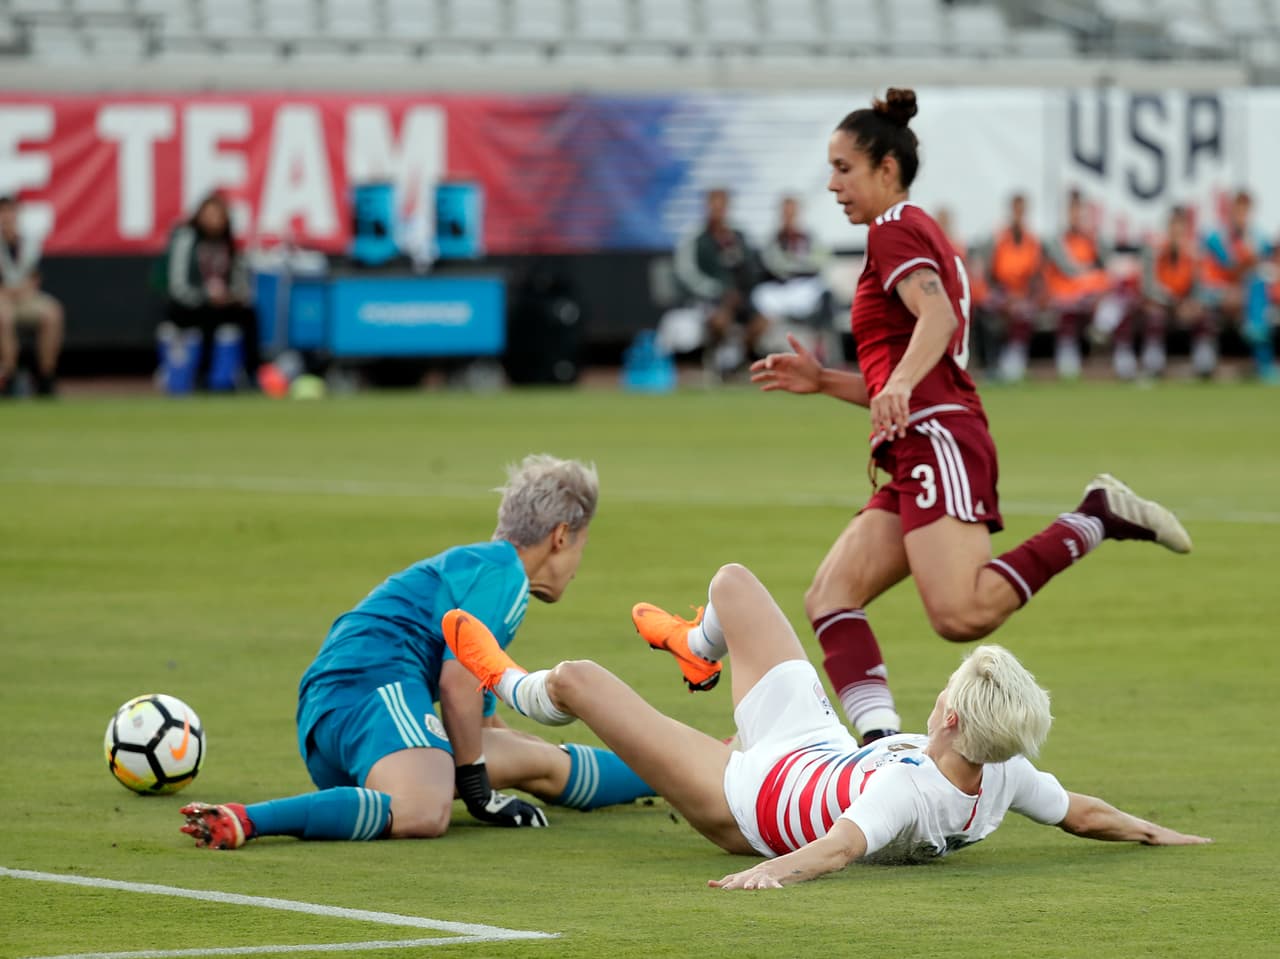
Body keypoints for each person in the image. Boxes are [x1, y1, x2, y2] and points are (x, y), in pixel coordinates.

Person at [748, 89, 1192, 746]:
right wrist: (826, 382)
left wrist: (896, 383)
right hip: (916, 440)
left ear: (886, 169)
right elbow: (915, 362)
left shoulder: (895, 228)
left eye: (844, 167)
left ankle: (1095, 515)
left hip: (938, 439)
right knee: (830, 596)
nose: (832, 183)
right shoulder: (909, 230)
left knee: (961, 613)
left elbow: (939, 320)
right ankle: (882, 750)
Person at [442, 562, 1209, 888]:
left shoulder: (907, 794)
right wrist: (1169, 835)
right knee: (734, 584)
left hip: (743, 793)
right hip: (814, 745)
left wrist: (758, 872)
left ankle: (505, 679)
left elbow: (835, 850)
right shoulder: (1003, 769)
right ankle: (695, 647)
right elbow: (1086, 814)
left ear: (947, 715)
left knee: (580, 680)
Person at [180, 455, 654, 850]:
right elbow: (456, 683)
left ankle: (690, 773)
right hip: (368, 692)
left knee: (537, 759)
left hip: (339, 720)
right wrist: (479, 792)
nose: (577, 568)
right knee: (425, 810)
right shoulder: (505, 576)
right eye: (581, 548)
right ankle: (246, 819)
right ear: (560, 536)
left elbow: (485, 727)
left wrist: (491, 771)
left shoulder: (481, 569)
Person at [163, 191, 261, 390]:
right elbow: (178, 285)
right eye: (209, 215)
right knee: (207, 317)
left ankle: (250, 375)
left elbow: (239, 280)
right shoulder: (186, 239)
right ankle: (200, 375)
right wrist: (206, 296)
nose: (214, 221)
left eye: (218, 215)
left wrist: (232, 296)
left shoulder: (229, 243)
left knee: (249, 315)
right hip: (190, 304)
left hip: (220, 304)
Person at [674, 187, 771, 377]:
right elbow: (687, 274)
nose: (718, 211)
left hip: (741, 298)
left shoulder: (738, 236)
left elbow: (751, 268)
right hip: (709, 300)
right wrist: (718, 290)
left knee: (762, 323)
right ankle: (717, 362)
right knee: (720, 320)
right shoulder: (696, 238)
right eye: (714, 206)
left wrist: (743, 289)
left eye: (722, 206)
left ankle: (740, 361)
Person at [1044, 189, 1126, 379]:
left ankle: (1103, 331)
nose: (1076, 216)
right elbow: (1070, 270)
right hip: (1066, 293)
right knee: (1070, 309)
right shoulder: (1057, 240)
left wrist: (1094, 240)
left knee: (1120, 295)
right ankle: (1068, 355)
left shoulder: (1092, 238)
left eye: (1079, 210)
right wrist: (1092, 274)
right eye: (1072, 210)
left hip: (1090, 293)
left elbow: (1109, 263)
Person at [1201, 189, 1274, 382]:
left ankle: (1261, 353)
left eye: (1245, 211)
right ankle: (1261, 354)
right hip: (1217, 292)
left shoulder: (1257, 237)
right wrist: (1249, 261)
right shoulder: (1217, 237)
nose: (1241, 216)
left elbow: (1261, 264)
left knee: (1258, 286)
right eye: (1238, 211)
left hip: (1244, 294)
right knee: (1255, 289)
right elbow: (1229, 268)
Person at [1134, 206, 1211, 379]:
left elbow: (1198, 287)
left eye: (1181, 226)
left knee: (1202, 313)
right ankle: (1153, 362)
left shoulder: (1194, 254)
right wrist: (1173, 302)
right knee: (1153, 313)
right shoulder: (1154, 250)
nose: (1177, 230)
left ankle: (1204, 361)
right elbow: (1148, 287)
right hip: (1162, 305)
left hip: (1184, 306)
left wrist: (1190, 303)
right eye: (1173, 225)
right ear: (1168, 227)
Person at [751, 195, 834, 354]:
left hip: (804, 288)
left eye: (792, 212)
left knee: (823, 291)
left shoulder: (809, 237)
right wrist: (799, 264)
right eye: (785, 212)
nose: (789, 216)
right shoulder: (774, 239)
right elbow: (776, 265)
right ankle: (757, 350)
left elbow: (820, 261)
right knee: (762, 297)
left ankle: (819, 347)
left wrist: (798, 265)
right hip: (781, 288)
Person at [0, 195, 64, 396]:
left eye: (11, 212)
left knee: (52, 312)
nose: (7, 217)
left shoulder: (28, 242)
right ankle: (9, 376)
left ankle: (46, 376)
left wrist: (21, 290)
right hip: (2, 298)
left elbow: (35, 276)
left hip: (24, 296)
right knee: (4, 317)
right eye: (3, 212)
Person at [986, 192, 1045, 383]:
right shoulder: (1000, 239)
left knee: (1024, 312)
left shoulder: (1031, 241)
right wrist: (1006, 294)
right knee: (995, 312)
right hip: (1003, 293)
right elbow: (992, 274)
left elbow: (1035, 275)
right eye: (1016, 209)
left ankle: (1013, 363)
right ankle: (996, 363)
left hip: (1023, 295)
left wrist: (1024, 296)